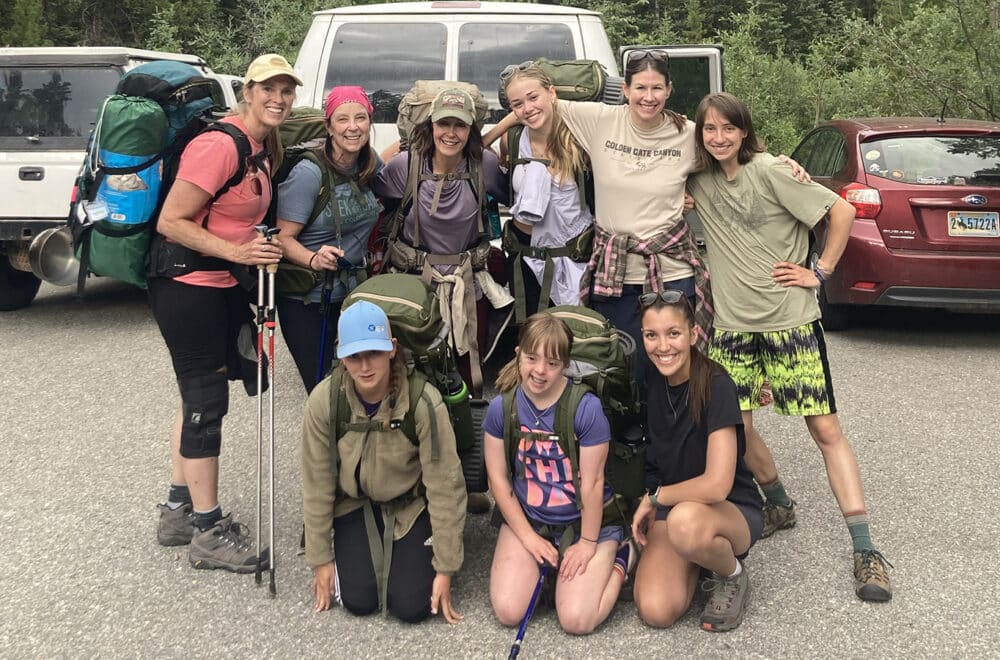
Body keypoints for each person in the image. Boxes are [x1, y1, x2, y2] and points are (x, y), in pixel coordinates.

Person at [686, 91, 892, 601]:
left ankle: (866, 549)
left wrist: (819, 272)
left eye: (727, 128)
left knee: (824, 429)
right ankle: (777, 501)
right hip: (733, 329)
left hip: (791, 323)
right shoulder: (698, 180)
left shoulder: (774, 170)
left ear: (743, 130)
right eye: (709, 129)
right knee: (735, 430)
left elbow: (841, 211)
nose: (718, 138)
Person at [150, 54, 298, 571]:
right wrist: (238, 253)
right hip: (187, 286)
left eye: (286, 90)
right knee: (206, 401)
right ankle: (208, 531)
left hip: (215, 286)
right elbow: (172, 220)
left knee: (196, 393)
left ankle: (177, 509)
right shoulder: (220, 144)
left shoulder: (260, 145)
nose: (278, 98)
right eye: (268, 89)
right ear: (247, 92)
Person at [300, 300, 467, 623]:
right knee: (358, 600)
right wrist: (320, 559)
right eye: (354, 357)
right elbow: (317, 481)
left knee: (412, 607)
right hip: (353, 503)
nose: (365, 366)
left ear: (392, 349)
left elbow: (446, 484)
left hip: (410, 505)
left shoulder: (422, 401)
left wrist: (446, 567)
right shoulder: (325, 400)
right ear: (341, 356)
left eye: (373, 353)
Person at [554, 50, 714, 382]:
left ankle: (676, 431)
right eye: (640, 88)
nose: (649, 97)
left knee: (675, 365)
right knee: (623, 364)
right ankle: (630, 432)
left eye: (657, 88)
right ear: (625, 89)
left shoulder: (688, 133)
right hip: (616, 274)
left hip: (671, 272)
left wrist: (785, 164)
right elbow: (538, 101)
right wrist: (490, 136)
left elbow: (732, 148)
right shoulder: (600, 120)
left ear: (669, 90)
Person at [483, 313, 635, 635]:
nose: (540, 371)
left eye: (552, 363)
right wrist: (527, 537)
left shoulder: (586, 408)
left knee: (576, 620)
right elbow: (498, 479)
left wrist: (588, 543)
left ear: (565, 364)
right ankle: (547, 568)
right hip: (530, 516)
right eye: (532, 358)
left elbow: (592, 483)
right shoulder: (502, 407)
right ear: (518, 354)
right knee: (509, 610)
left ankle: (622, 555)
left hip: (585, 520)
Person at [631, 291, 763, 632]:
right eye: (652, 335)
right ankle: (696, 559)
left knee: (686, 523)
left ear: (693, 334)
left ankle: (730, 573)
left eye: (673, 333)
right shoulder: (651, 379)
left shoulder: (717, 386)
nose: (663, 346)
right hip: (675, 509)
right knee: (657, 611)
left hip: (729, 509)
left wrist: (655, 498)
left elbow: (717, 484)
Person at [372, 87, 509, 396]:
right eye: (443, 124)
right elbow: (369, 189)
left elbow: (516, 196)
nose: (450, 133)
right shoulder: (405, 167)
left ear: (471, 129)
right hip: (414, 287)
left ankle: (461, 433)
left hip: (467, 285)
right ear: (429, 125)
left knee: (465, 375)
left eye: (459, 125)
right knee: (413, 374)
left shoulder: (482, 166)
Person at [275, 85, 381, 393]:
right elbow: (282, 237)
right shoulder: (310, 172)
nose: (353, 127)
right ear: (329, 126)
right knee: (323, 389)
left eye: (360, 118)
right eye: (343, 119)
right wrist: (313, 258)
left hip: (351, 295)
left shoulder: (368, 163)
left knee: (358, 386)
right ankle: (325, 441)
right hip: (307, 299)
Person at [492, 63, 595, 322]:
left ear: (552, 93)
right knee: (531, 337)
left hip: (573, 257)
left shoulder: (579, 139)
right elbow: (479, 153)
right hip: (524, 258)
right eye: (517, 104)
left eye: (533, 97)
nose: (527, 108)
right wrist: (503, 126)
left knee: (575, 335)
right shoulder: (512, 140)